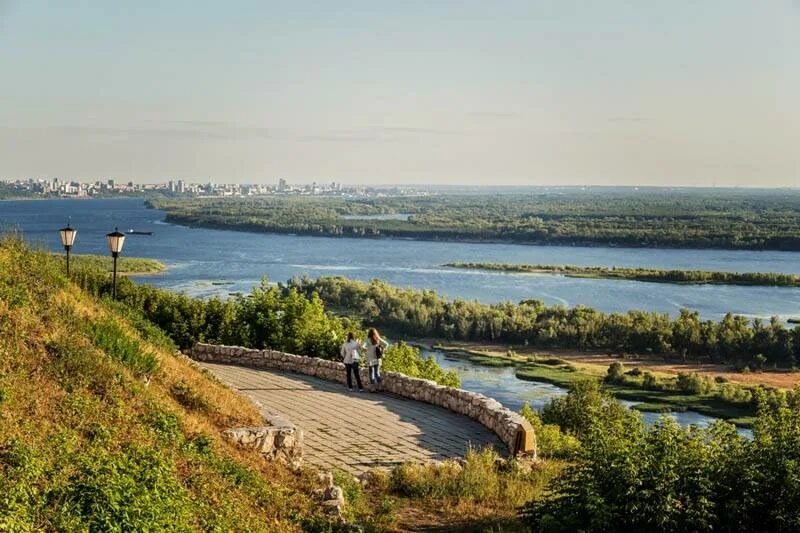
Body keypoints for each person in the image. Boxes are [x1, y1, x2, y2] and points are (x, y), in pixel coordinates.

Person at [364, 327, 388, 392]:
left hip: (370, 359)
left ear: (369, 333)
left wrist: (367, 349)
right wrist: (383, 350)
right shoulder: (378, 339)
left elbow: (363, 346)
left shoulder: (367, 340)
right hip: (377, 359)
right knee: (377, 373)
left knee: (371, 373)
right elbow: (386, 344)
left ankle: (373, 388)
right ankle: (380, 387)